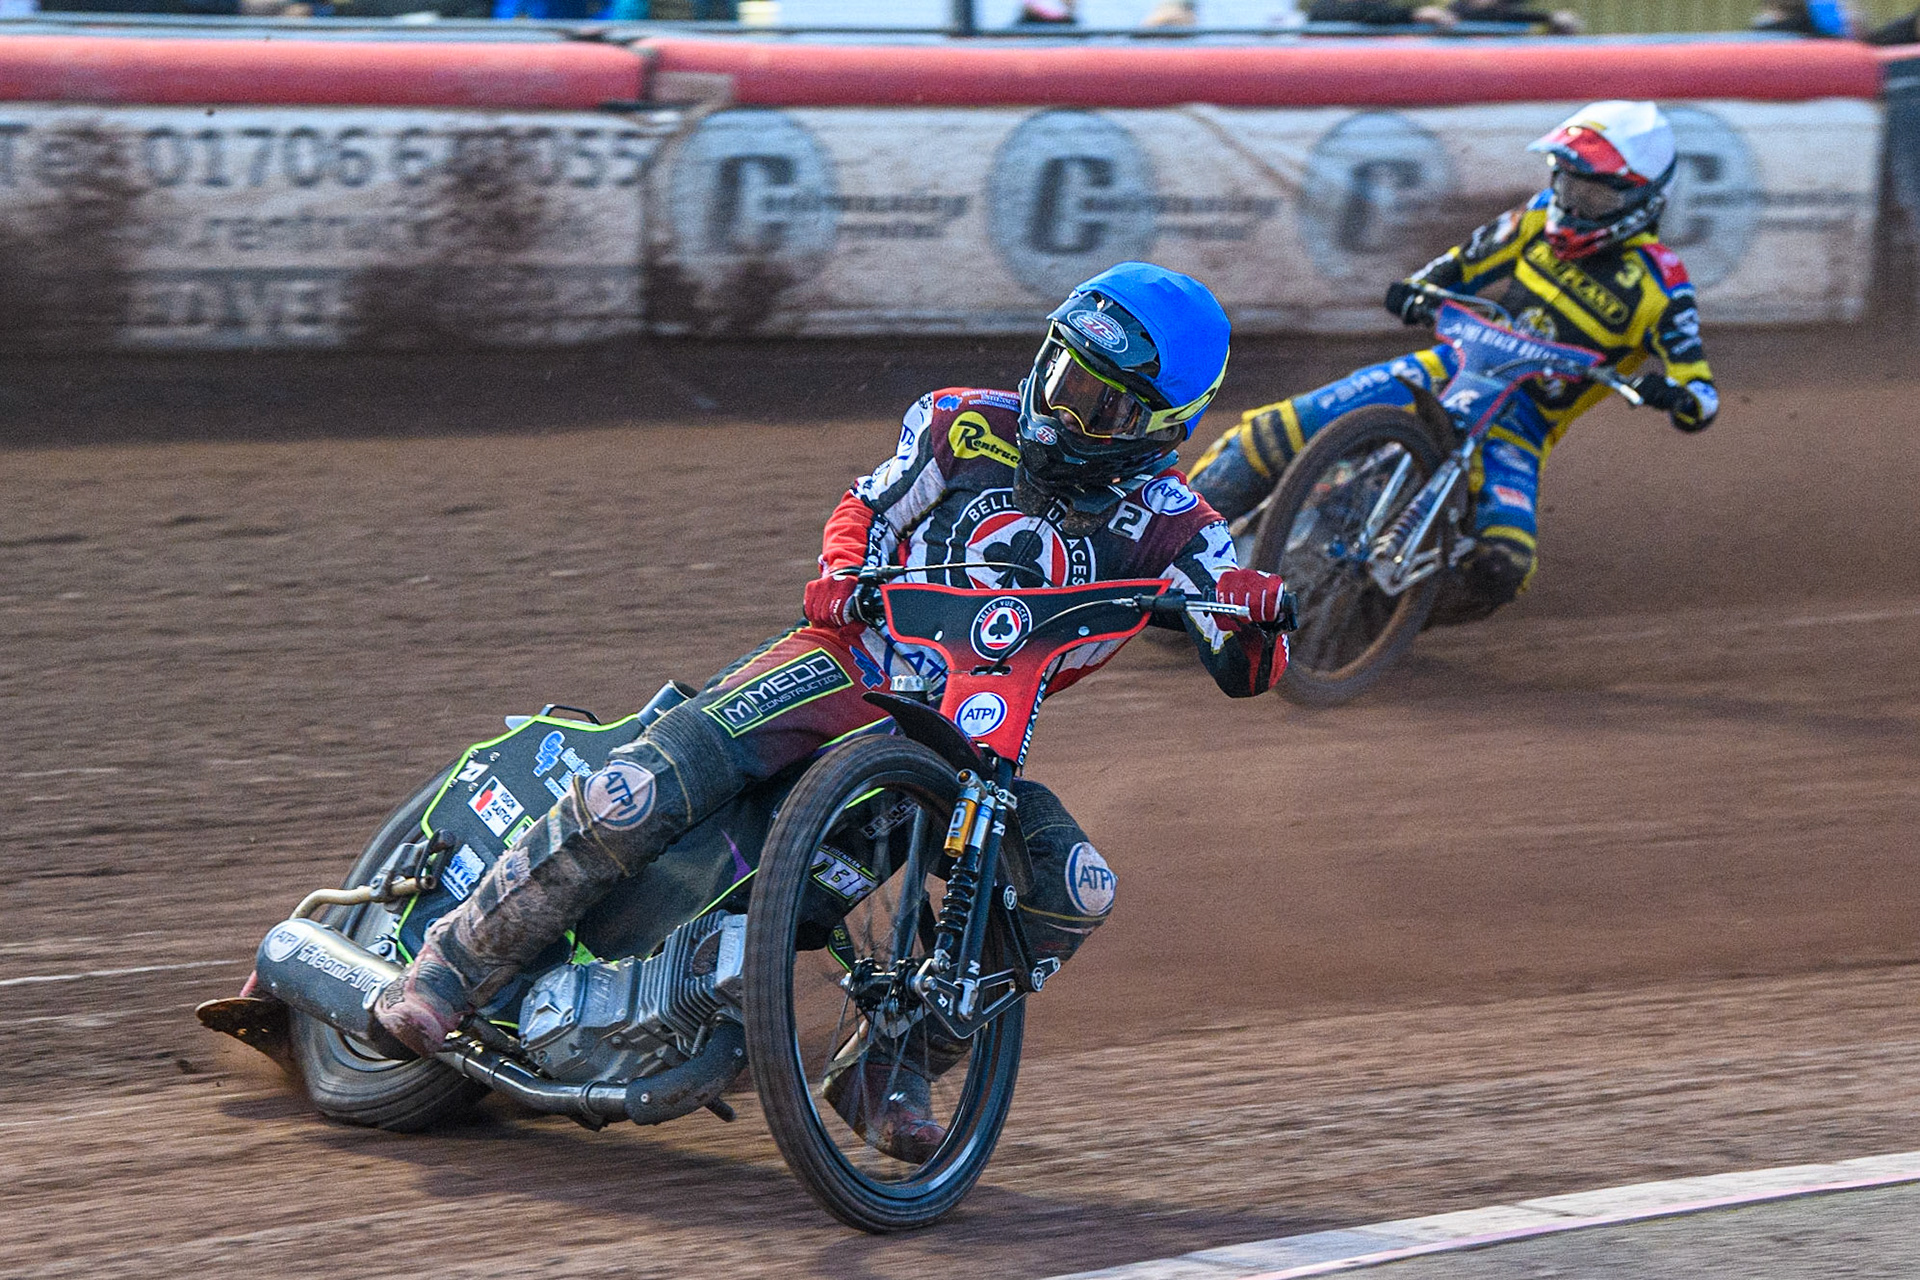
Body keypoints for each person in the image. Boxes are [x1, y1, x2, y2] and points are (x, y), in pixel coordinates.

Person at [373, 261, 1291, 1156]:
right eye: (1060, 374)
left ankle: (889, 1068)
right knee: (639, 790)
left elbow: (1246, 659)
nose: (1060, 410)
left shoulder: (1183, 528)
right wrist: (843, 570)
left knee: (1074, 890)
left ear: (1161, 427)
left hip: (970, 746)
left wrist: (1257, 617)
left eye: (1097, 403)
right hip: (845, 660)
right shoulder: (962, 423)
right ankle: (453, 965)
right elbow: (867, 507)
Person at [1190, 100, 1717, 622]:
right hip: (1447, 368)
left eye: (1594, 194)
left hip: (1519, 425)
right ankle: (1176, 543)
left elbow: (1702, 393)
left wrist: (1674, 396)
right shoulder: (1537, 216)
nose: (1573, 204)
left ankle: (1365, 621)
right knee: (1275, 430)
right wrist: (1418, 290)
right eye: (1567, 183)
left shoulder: (1663, 287)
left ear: (1643, 199)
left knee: (1503, 566)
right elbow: (1458, 266)